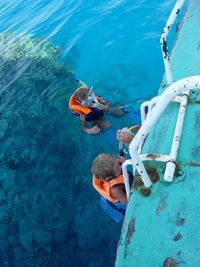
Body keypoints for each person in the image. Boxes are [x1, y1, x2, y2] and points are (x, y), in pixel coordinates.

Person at [91, 129, 136, 222]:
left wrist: (120, 162)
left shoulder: (113, 170)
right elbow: (128, 203)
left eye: (117, 161)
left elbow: (116, 166)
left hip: (115, 181)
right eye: (118, 166)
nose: (120, 164)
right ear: (109, 177)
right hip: (114, 203)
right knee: (125, 213)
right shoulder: (115, 189)